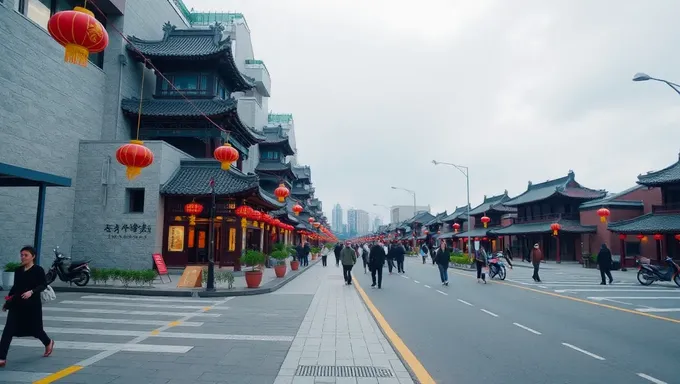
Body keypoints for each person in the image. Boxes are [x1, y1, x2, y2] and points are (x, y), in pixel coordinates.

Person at [0, 246, 54, 367]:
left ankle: (48, 342)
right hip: (17, 304)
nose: (23, 257)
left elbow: (43, 285)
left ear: (33, 256)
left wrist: (32, 291)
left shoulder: (38, 270)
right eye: (22, 255)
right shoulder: (18, 270)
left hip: (32, 305)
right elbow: (15, 288)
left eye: (26, 255)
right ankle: (2, 358)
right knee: (8, 330)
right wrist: (8, 301)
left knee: (36, 330)